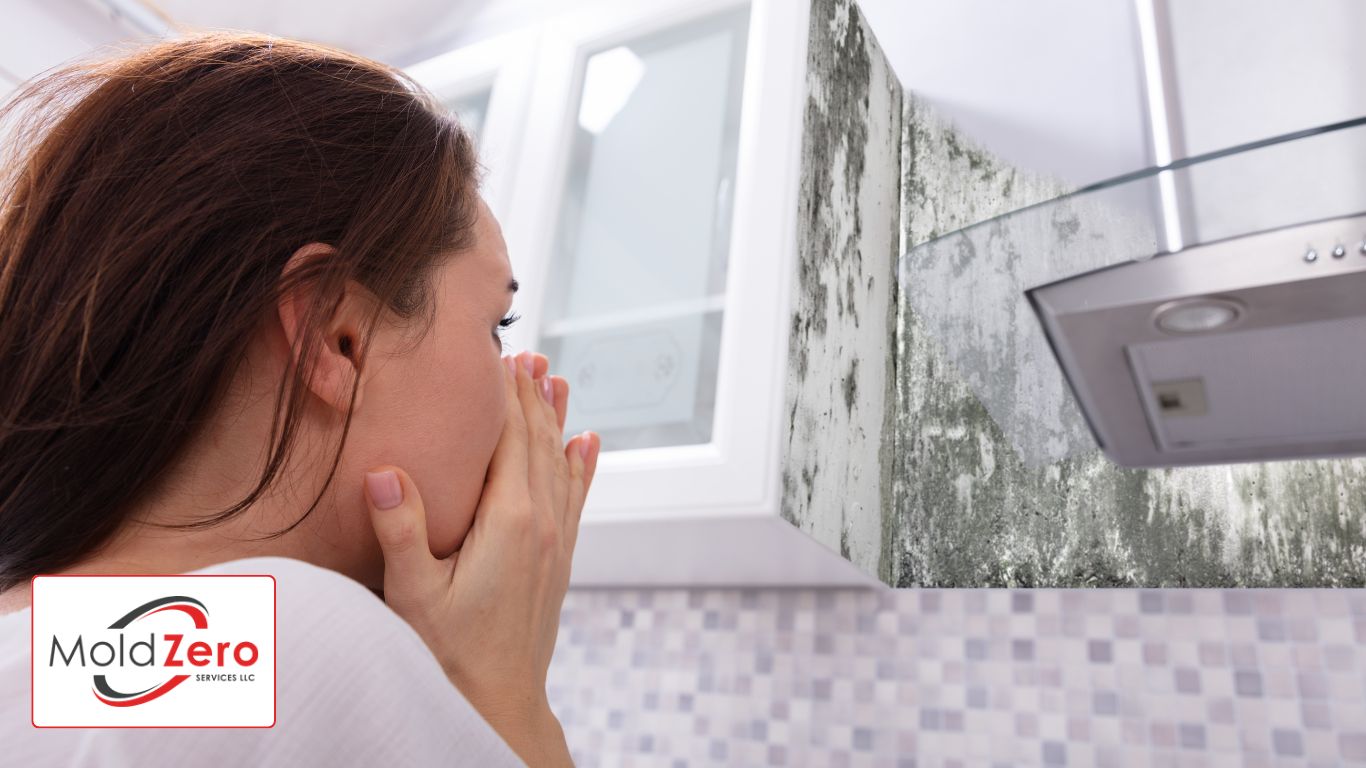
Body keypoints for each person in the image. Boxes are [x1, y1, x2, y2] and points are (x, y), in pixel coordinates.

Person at [0, 30, 598, 767]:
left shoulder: (69, 653)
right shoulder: (306, 643)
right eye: (495, 326)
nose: (522, 387)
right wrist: (507, 697)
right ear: (336, 337)